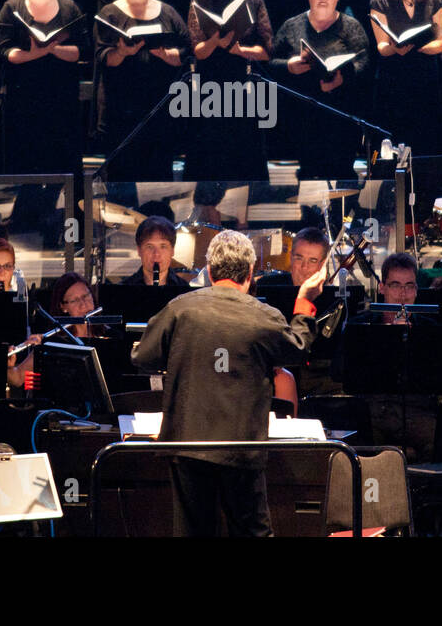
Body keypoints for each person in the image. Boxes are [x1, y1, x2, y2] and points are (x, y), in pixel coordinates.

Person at [131, 228, 326, 537]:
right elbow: (298, 348)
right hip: (240, 447)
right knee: (251, 532)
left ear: (209, 272)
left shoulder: (180, 308)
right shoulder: (264, 316)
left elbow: (142, 357)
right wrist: (304, 304)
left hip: (187, 443)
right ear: (250, 274)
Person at [272, 0, 370, 179]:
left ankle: (342, 213)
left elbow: (363, 63)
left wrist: (341, 79)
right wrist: (288, 66)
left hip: (341, 116)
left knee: (342, 175)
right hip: (303, 116)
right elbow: (271, 63)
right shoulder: (292, 25)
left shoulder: (351, 26)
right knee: (308, 177)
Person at [184, 0, 273, 181]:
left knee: (244, 154)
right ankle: (209, 215)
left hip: (243, 86)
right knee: (210, 155)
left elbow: (267, 51)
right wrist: (215, 42)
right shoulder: (199, 1)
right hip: (209, 86)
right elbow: (196, 50)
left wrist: (239, 50)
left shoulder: (253, 0)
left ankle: (242, 220)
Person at [93, 0, 187, 181]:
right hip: (121, 108)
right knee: (121, 176)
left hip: (158, 106)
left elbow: (187, 52)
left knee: (158, 175)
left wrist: (166, 54)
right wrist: (122, 52)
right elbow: (103, 57)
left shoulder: (167, 12)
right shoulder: (109, 13)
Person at [0, 0, 89, 180]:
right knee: (26, 161)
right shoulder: (12, 6)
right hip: (23, 96)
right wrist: (36, 53)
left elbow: (82, 51)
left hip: (61, 96)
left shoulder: (70, 8)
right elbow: (6, 51)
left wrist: (53, 48)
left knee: (61, 161)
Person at [368, 0, 442, 156]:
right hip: (393, 81)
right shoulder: (379, 1)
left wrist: (419, 46)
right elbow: (382, 46)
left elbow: (440, 42)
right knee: (392, 146)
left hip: (425, 79)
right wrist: (396, 48)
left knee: (425, 143)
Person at [121, 216, 187, 286]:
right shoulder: (122, 290)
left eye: (163, 246)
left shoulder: (186, 291)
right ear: (139, 250)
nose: (156, 254)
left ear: (172, 251)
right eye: (149, 247)